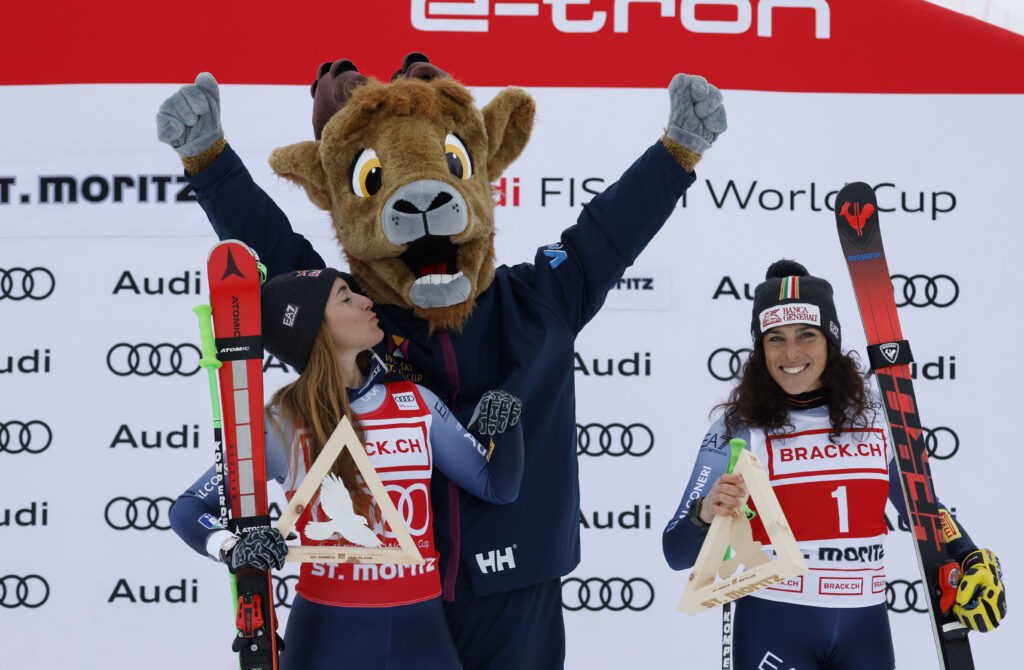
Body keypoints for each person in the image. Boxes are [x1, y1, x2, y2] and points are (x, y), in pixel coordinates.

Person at [157, 57, 726, 668]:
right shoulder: (358, 313)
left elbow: (610, 231)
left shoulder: (539, 300)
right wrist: (210, 162)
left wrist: (676, 154)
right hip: (391, 596)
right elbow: (272, 250)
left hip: (517, 589)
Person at [170, 268, 525, 670]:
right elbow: (187, 509)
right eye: (345, 297)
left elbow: (499, 487)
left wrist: (507, 426)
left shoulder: (417, 403)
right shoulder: (282, 423)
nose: (366, 301)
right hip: (326, 635)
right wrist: (234, 548)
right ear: (315, 329)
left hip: (421, 634)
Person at [662, 259, 1006, 669]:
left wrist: (968, 555)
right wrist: (705, 513)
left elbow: (923, 510)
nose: (791, 353)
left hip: (866, 629)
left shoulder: (878, 420)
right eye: (775, 339)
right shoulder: (739, 428)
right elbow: (675, 550)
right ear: (760, 349)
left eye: (806, 335)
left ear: (830, 339)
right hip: (774, 625)